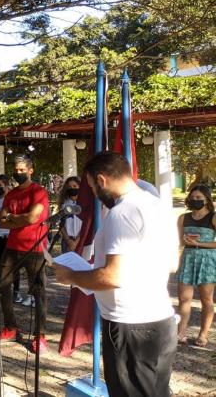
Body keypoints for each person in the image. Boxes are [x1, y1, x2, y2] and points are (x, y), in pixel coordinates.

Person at [54, 151, 178, 396]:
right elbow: (171, 263)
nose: (96, 196)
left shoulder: (122, 213)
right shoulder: (157, 205)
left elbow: (112, 277)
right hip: (159, 320)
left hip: (130, 326)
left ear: (101, 180)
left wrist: (71, 276)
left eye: (91, 187)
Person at [0, 156, 50, 354]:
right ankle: (10, 327)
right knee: (2, 286)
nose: (19, 172)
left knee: (38, 291)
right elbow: (1, 222)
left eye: (22, 169)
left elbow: (33, 217)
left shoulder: (39, 192)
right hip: (12, 246)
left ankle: (40, 336)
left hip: (35, 248)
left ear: (31, 170)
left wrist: (13, 218)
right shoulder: (11, 194)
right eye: (16, 169)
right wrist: (19, 219)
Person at [175, 184, 216, 347]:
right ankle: (181, 333)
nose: (195, 200)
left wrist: (200, 243)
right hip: (188, 258)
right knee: (183, 298)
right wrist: (184, 241)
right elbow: (179, 240)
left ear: (207, 199)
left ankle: (203, 335)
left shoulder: (213, 217)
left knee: (206, 299)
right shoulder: (183, 218)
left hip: (207, 261)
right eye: (193, 198)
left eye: (199, 198)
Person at [58, 176, 83, 253]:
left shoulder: (84, 203)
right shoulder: (63, 203)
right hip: (67, 241)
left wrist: (75, 242)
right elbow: (61, 224)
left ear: (80, 186)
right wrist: (68, 241)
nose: (72, 188)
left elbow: (86, 224)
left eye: (74, 186)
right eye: (69, 186)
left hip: (81, 240)